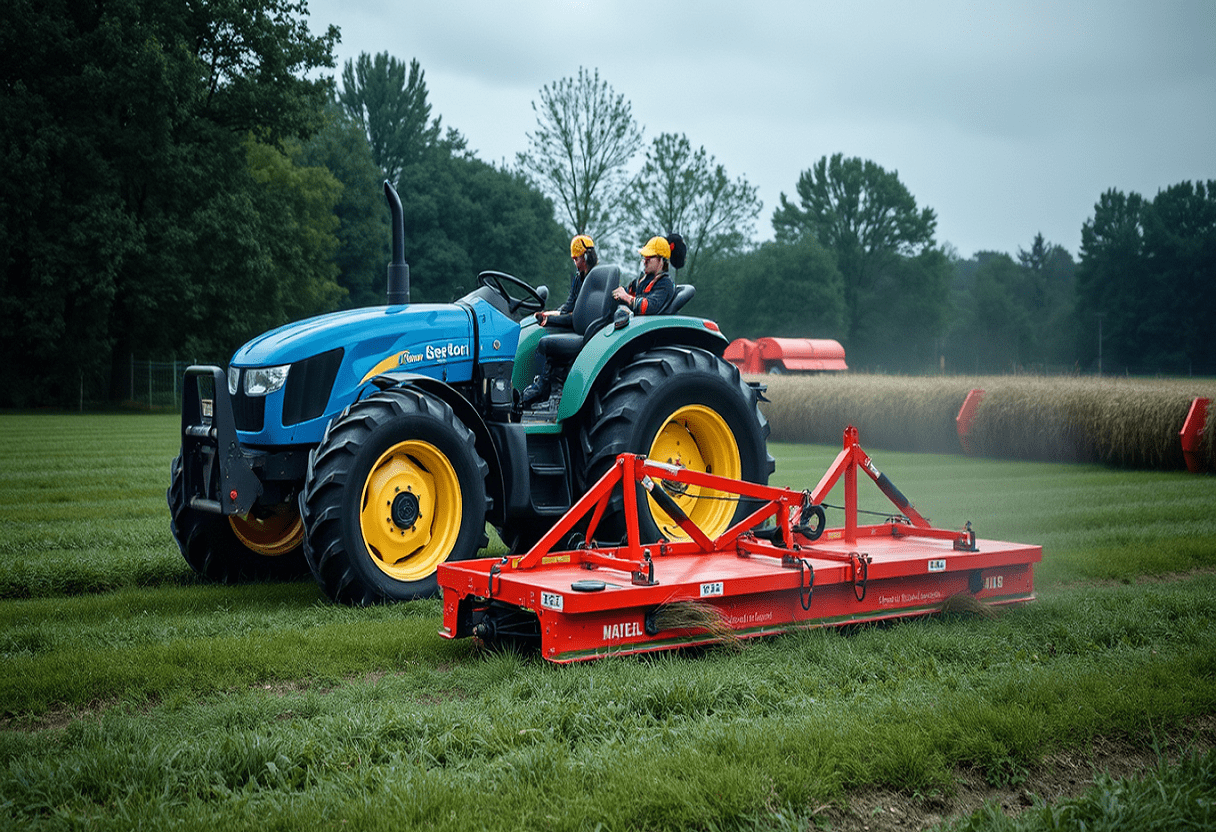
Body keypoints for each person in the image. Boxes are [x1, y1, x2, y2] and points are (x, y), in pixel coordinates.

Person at [520, 234, 598, 407]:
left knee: (546, 339)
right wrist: (552, 314)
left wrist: (551, 321)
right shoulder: (579, 278)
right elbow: (569, 306)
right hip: (575, 322)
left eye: (576, 258)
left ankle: (544, 388)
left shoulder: (595, 280)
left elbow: (578, 316)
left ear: (584, 257)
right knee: (544, 329)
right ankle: (545, 386)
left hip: (585, 330)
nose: (575, 263)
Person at [613, 234, 684, 315]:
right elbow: (628, 292)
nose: (645, 262)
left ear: (661, 260)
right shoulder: (643, 280)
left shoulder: (665, 283)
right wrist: (617, 293)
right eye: (644, 257)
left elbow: (649, 307)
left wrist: (626, 297)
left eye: (649, 258)